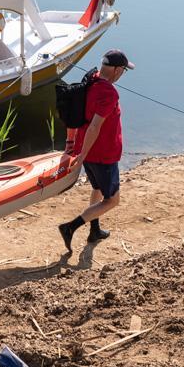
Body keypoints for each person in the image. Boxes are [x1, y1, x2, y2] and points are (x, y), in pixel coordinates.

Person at [57, 49, 133, 252]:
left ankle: (95, 230)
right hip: (103, 155)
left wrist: (73, 145)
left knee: (97, 189)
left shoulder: (91, 79)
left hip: (89, 150)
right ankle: (70, 227)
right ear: (116, 70)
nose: (123, 74)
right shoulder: (108, 93)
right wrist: (81, 157)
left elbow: (74, 113)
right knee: (112, 200)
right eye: (124, 70)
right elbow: (94, 127)